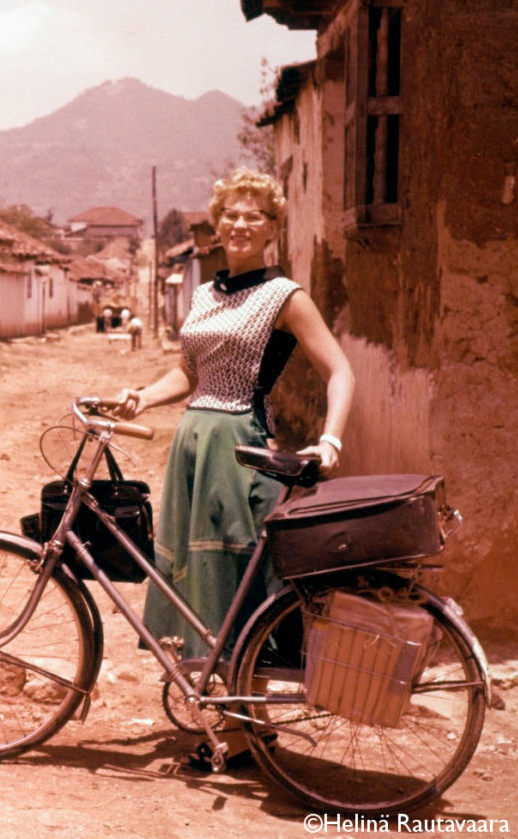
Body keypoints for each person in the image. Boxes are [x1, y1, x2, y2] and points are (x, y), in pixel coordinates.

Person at [113, 168, 355, 770]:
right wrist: (142, 396)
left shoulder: (285, 296)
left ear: (273, 228)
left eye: (256, 216)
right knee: (200, 581)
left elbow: (341, 370)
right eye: (232, 215)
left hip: (238, 448)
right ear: (216, 226)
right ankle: (247, 724)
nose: (241, 225)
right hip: (192, 443)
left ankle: (247, 728)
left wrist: (331, 439)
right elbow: (191, 376)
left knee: (234, 578)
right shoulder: (204, 294)